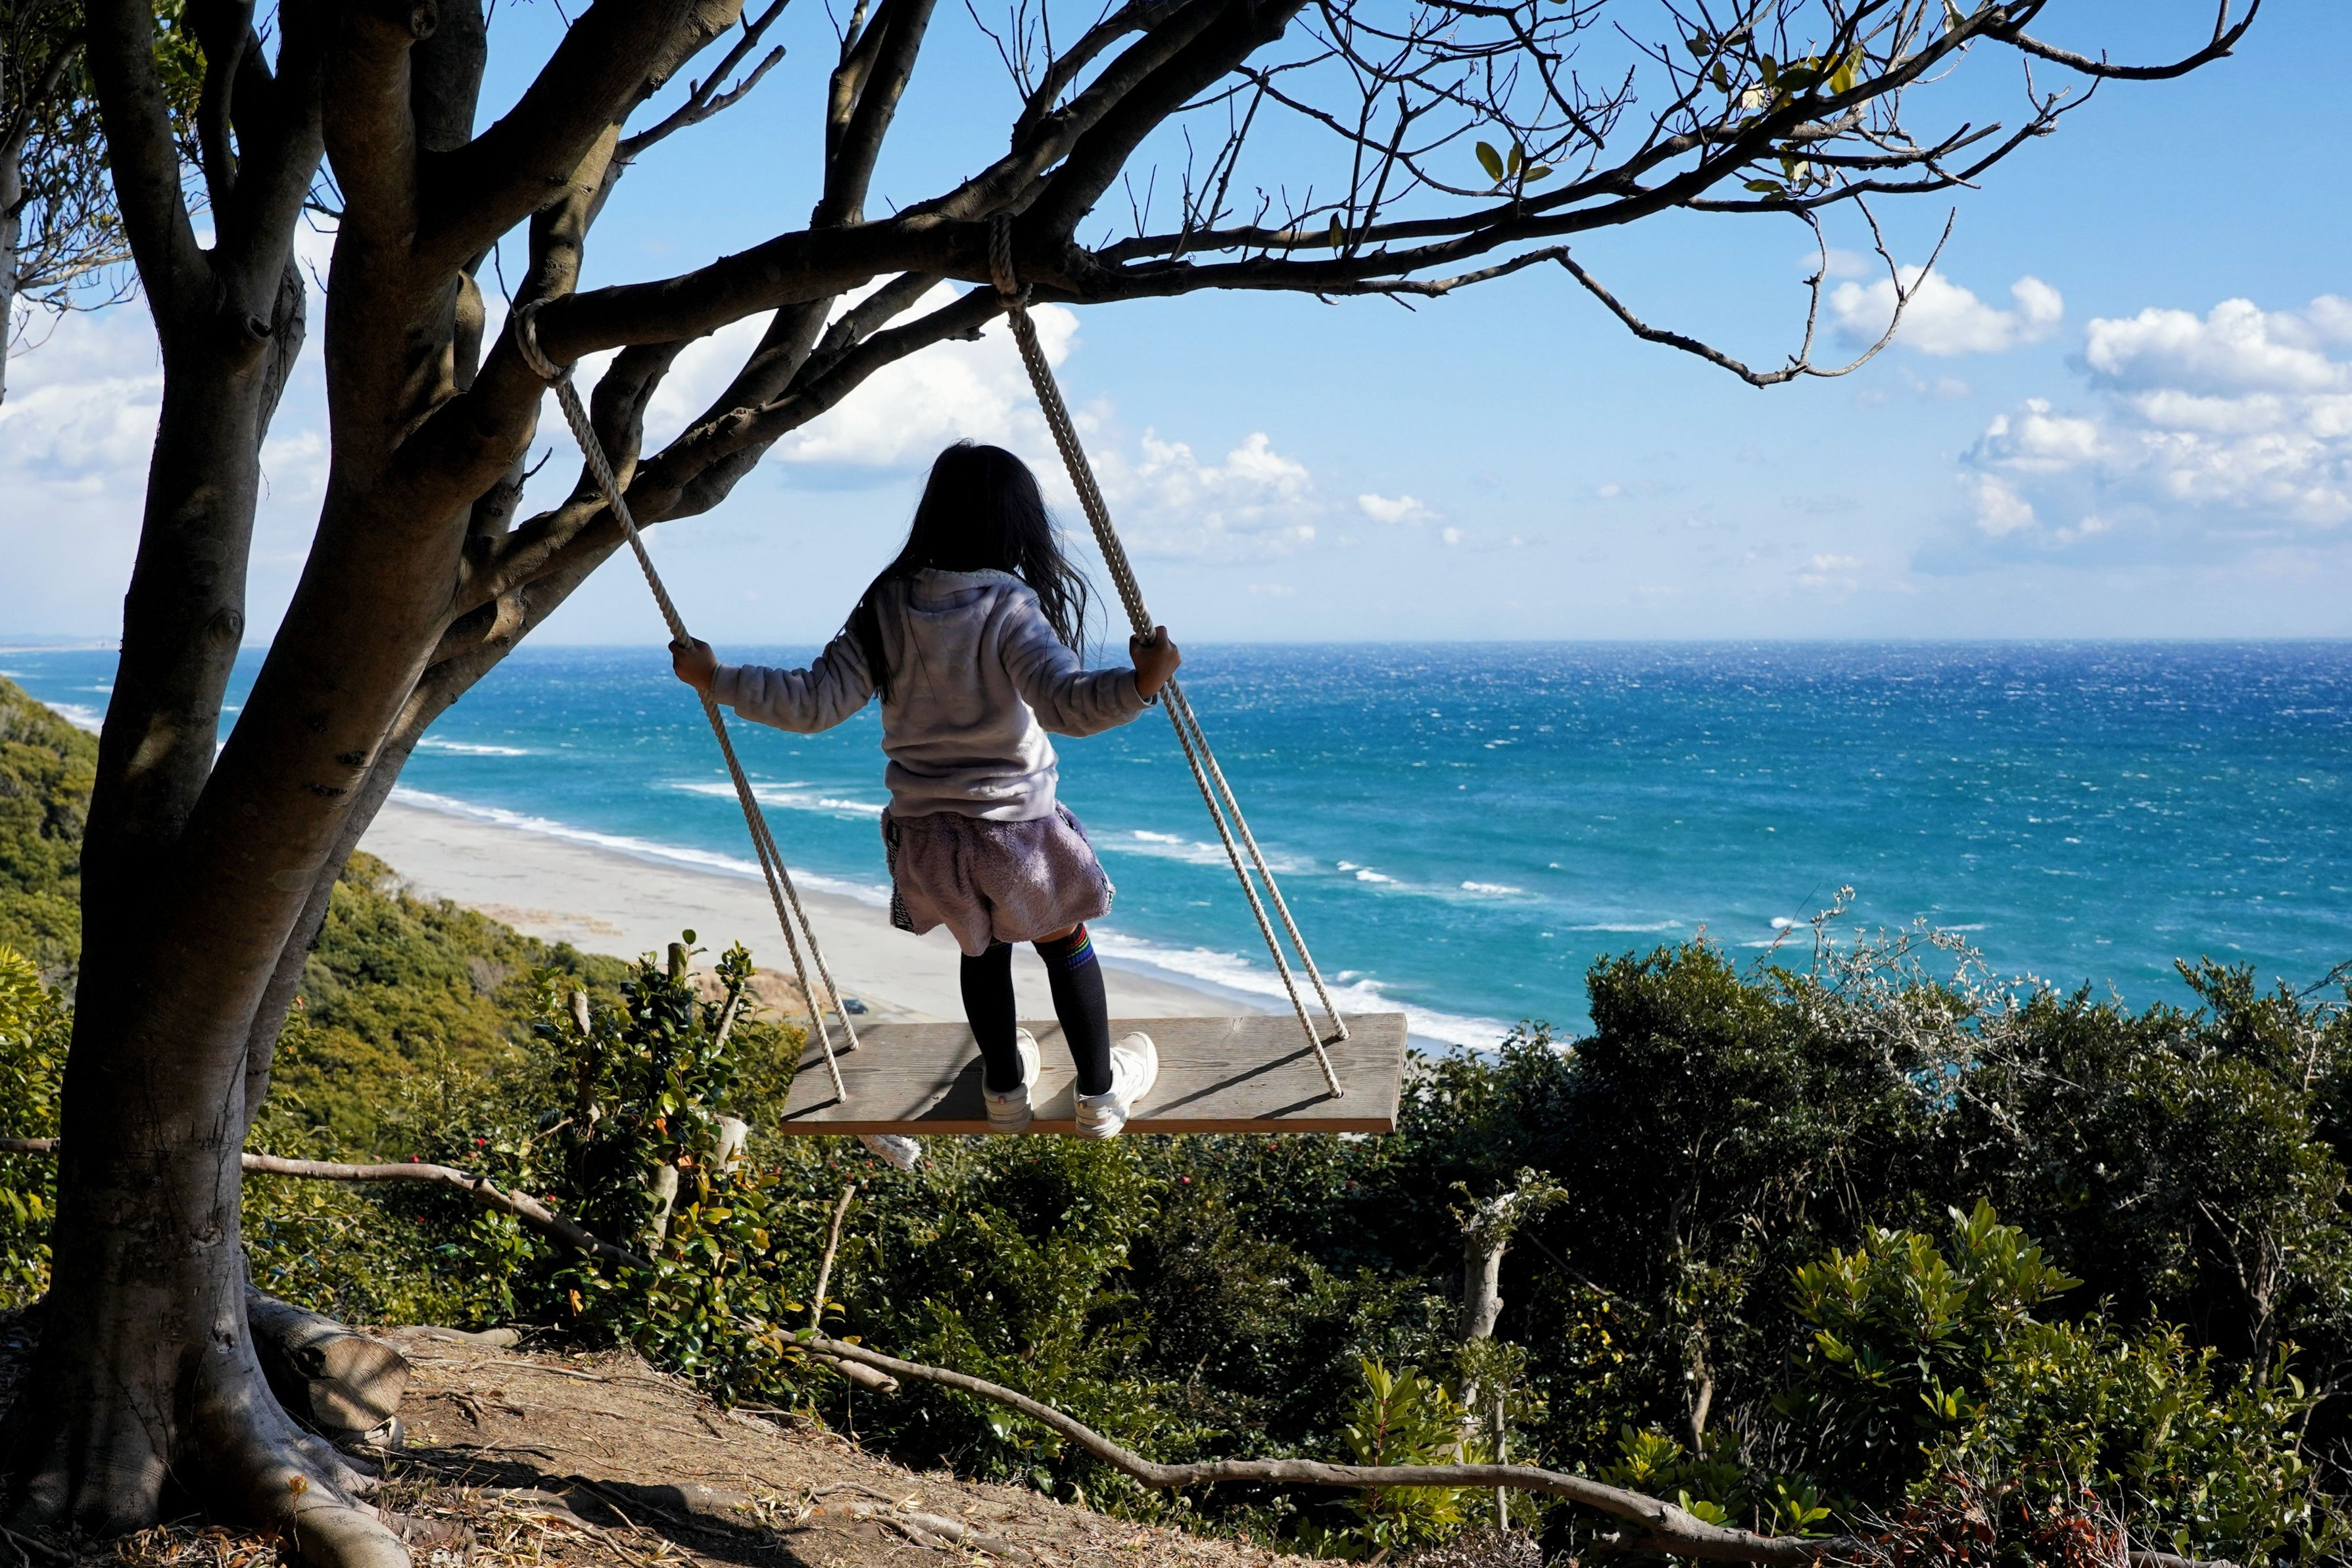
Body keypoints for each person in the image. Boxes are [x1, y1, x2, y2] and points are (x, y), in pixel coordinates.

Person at [671, 442, 1182, 1162]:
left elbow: (813, 703)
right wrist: (1140, 684)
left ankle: (1005, 1092)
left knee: (982, 947)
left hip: (925, 838)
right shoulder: (1008, 604)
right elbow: (1065, 704)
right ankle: (1100, 1093)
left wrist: (717, 677)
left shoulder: (886, 604)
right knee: (1063, 939)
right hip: (1014, 830)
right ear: (1018, 524)